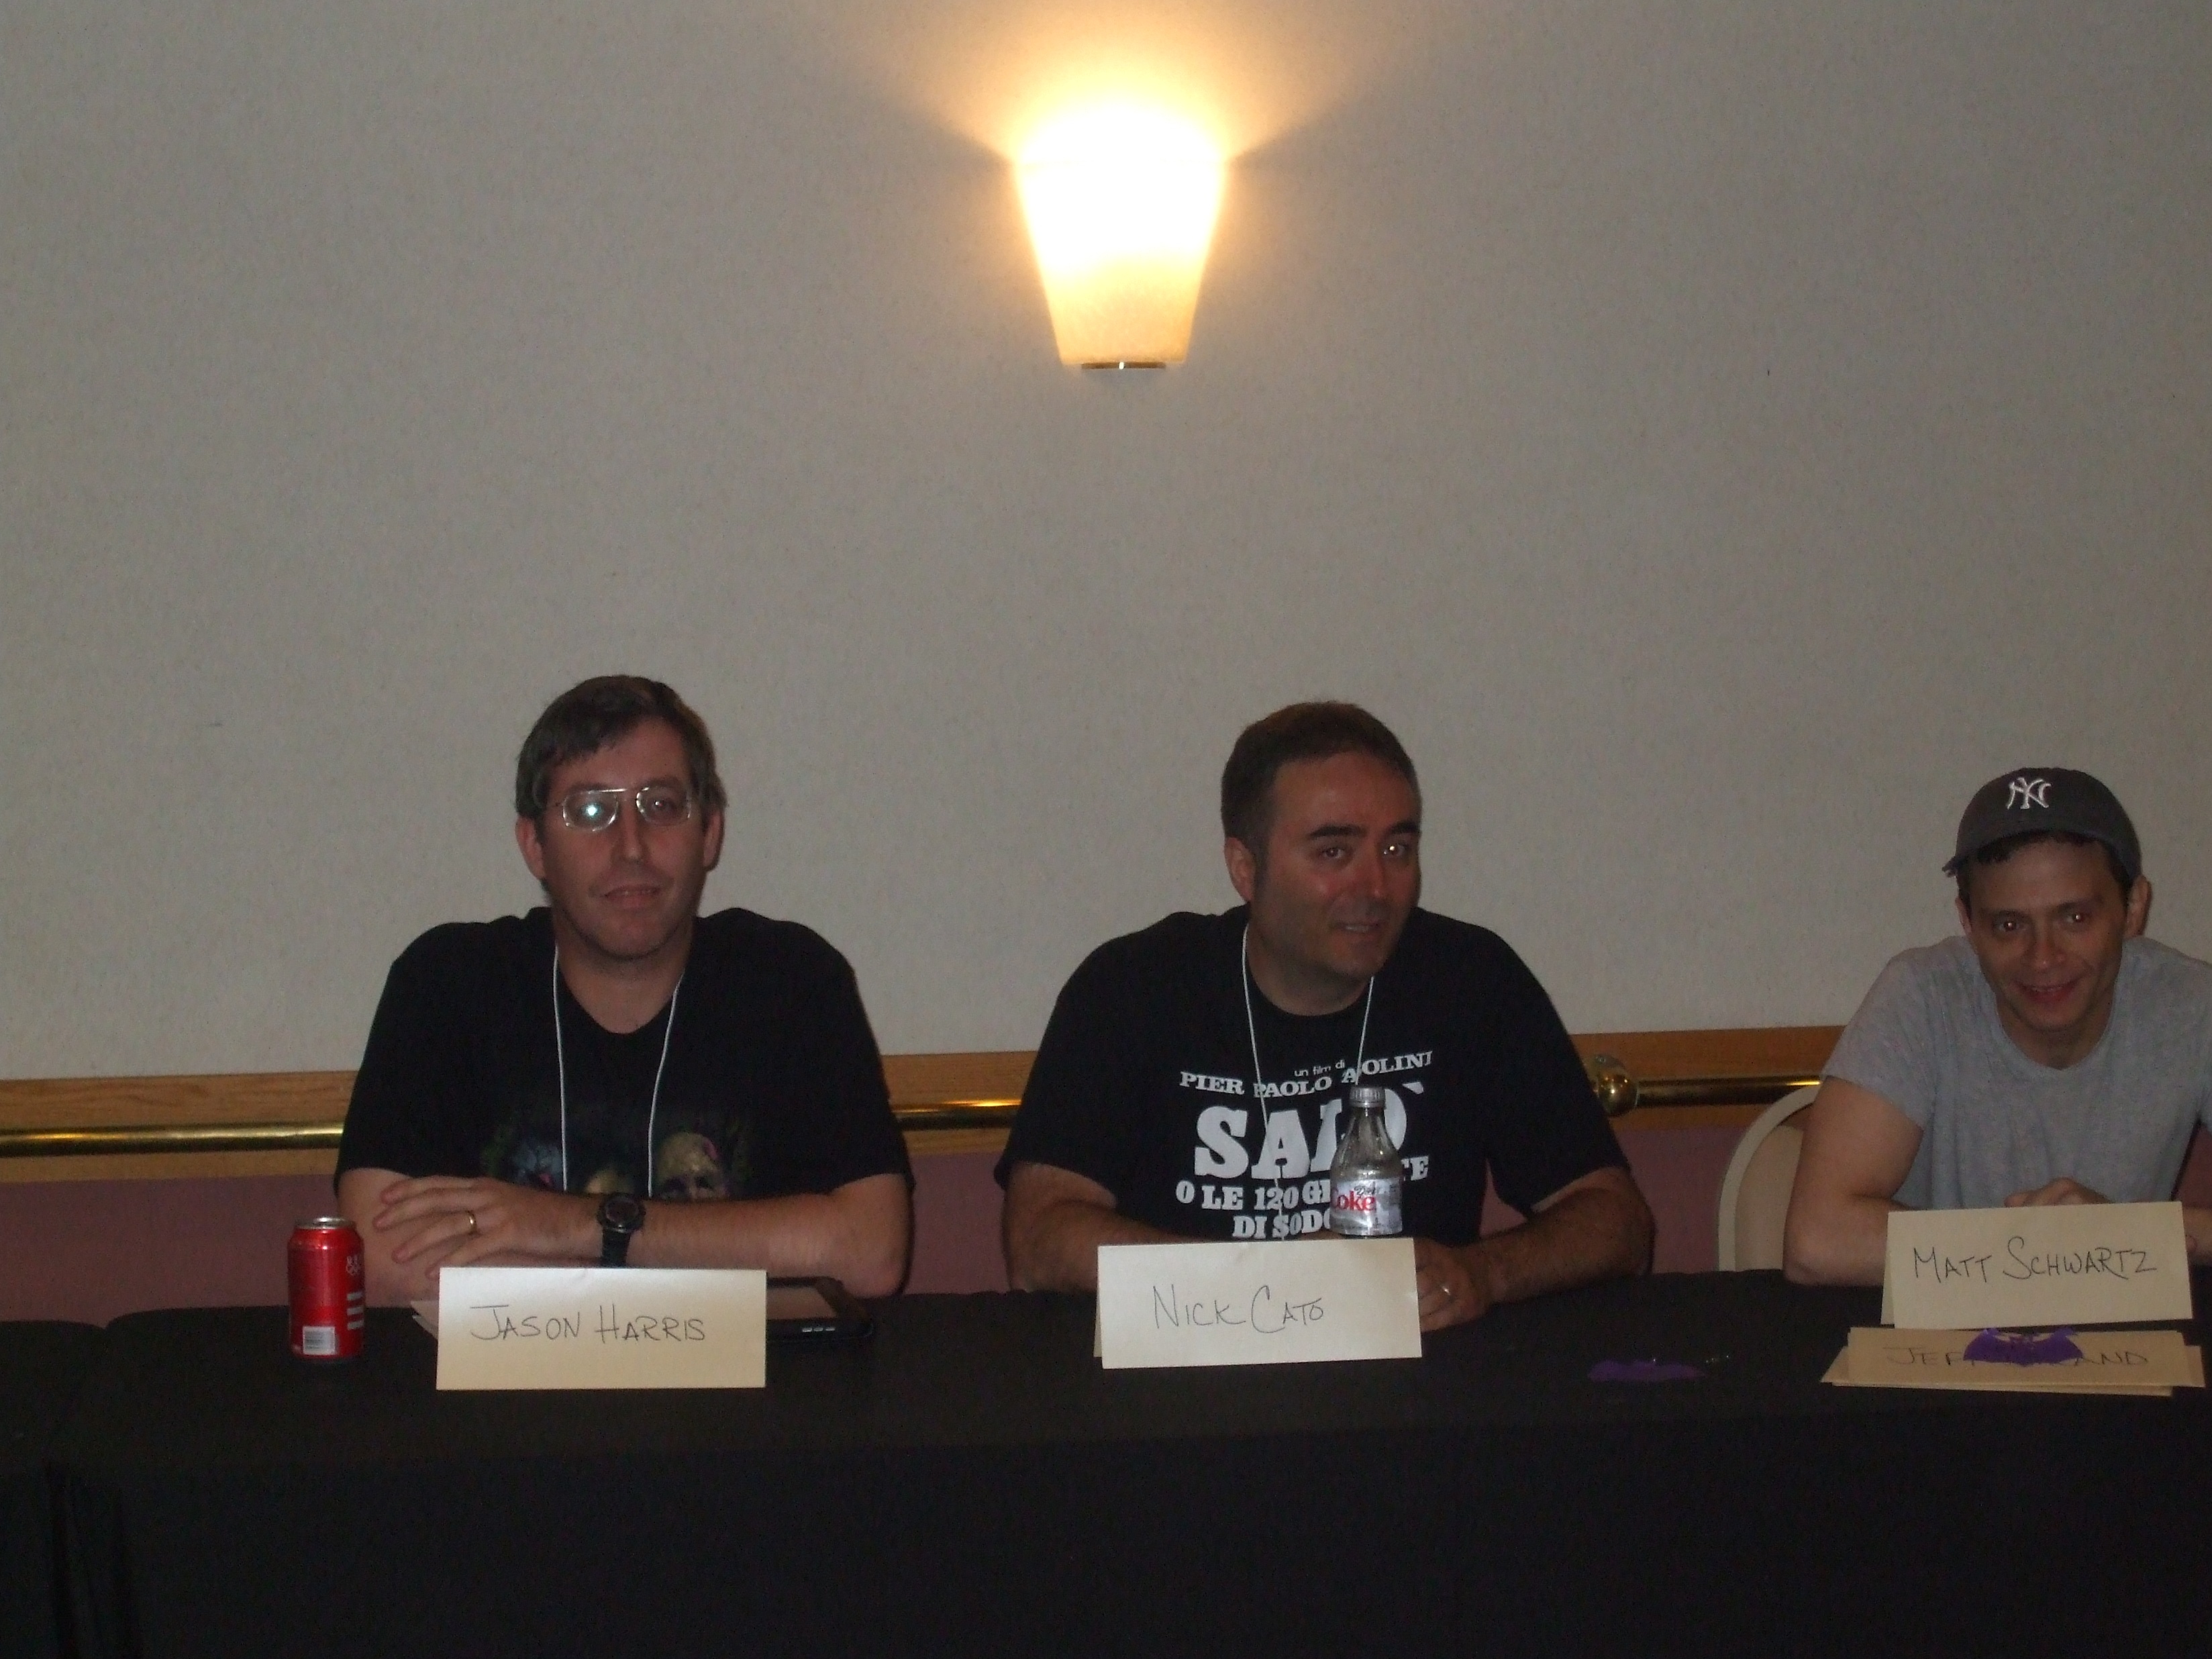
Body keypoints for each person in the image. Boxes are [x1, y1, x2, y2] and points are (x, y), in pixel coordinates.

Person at [997, 701, 1653, 1329]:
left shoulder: (1472, 980)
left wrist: (1483, 1274)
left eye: (1396, 850)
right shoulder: (1133, 988)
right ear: (1245, 868)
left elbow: (1617, 1222)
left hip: (1418, 1381)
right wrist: (1266, 1281)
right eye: (1333, 852)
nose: (1375, 888)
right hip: (1190, 1373)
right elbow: (1039, 1239)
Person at [336, 676, 911, 1304]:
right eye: (590, 812)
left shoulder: (792, 981)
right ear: (534, 846)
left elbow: (870, 1254)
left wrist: (570, 1226)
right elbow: (380, 1261)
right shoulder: (447, 985)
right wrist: (716, 1255)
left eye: (661, 805)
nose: (631, 846)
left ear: (710, 832)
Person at [1784, 767, 2212, 1285]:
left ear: (2133, 908)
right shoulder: (1921, 995)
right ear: (1968, 923)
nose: (2043, 958)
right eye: (2009, 925)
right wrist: (2058, 1249)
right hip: (1933, 1330)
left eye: (2075, 918)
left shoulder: (2193, 1004)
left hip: (2124, 1328)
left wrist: (2127, 1232)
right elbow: (1817, 1242)